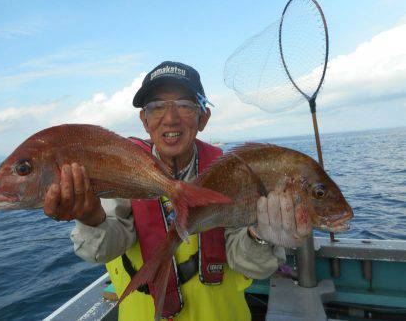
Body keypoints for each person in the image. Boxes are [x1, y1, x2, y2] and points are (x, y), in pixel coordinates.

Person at [43, 61, 310, 321]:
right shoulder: (124, 170)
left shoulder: (229, 173)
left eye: (184, 105)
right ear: (144, 120)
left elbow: (250, 264)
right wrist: (91, 220)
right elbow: (101, 250)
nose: (170, 119)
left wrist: (260, 235)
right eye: (156, 107)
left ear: (203, 118)